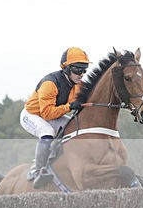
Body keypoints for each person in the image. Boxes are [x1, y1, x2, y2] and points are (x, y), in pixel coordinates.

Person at [20, 47, 90, 187]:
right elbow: (47, 113)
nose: (81, 74)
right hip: (32, 115)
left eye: (84, 70)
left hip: (52, 115)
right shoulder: (50, 84)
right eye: (78, 70)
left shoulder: (78, 85)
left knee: (74, 128)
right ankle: (37, 169)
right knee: (47, 132)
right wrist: (69, 107)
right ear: (67, 68)